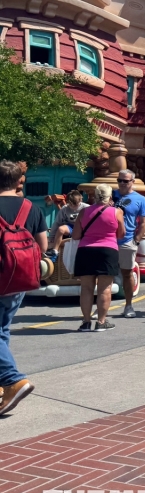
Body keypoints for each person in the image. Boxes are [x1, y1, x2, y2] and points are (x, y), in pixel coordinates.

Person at [0, 160, 46, 416]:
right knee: (2, 329)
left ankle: (13, 379)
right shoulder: (31, 207)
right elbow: (43, 246)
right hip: (19, 280)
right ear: (19, 180)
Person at [72, 183, 124, 332]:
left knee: (86, 288)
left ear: (94, 195)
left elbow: (76, 235)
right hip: (108, 251)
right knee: (104, 289)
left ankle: (86, 322)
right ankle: (101, 322)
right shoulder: (117, 212)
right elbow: (121, 234)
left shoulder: (84, 212)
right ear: (110, 197)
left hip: (86, 251)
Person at [113, 170, 145, 319]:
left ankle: (128, 305)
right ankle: (101, 307)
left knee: (127, 274)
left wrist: (137, 240)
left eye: (125, 181)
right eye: (119, 180)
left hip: (127, 240)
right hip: (107, 240)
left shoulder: (140, 199)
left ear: (132, 182)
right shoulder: (110, 195)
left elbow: (144, 221)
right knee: (104, 275)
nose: (122, 183)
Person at [46, 189, 87, 261]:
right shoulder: (65, 209)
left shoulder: (86, 207)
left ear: (80, 201)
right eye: (71, 205)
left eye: (75, 205)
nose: (73, 207)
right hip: (71, 227)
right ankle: (55, 252)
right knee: (61, 229)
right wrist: (51, 238)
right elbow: (57, 223)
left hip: (82, 228)